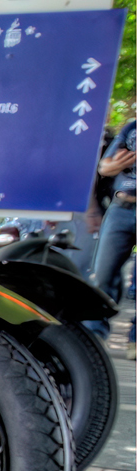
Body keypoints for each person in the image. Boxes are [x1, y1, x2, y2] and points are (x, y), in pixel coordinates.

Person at [87, 118, 136, 338]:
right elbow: (105, 167)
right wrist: (116, 165)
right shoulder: (131, 128)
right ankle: (95, 337)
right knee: (102, 277)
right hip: (120, 209)